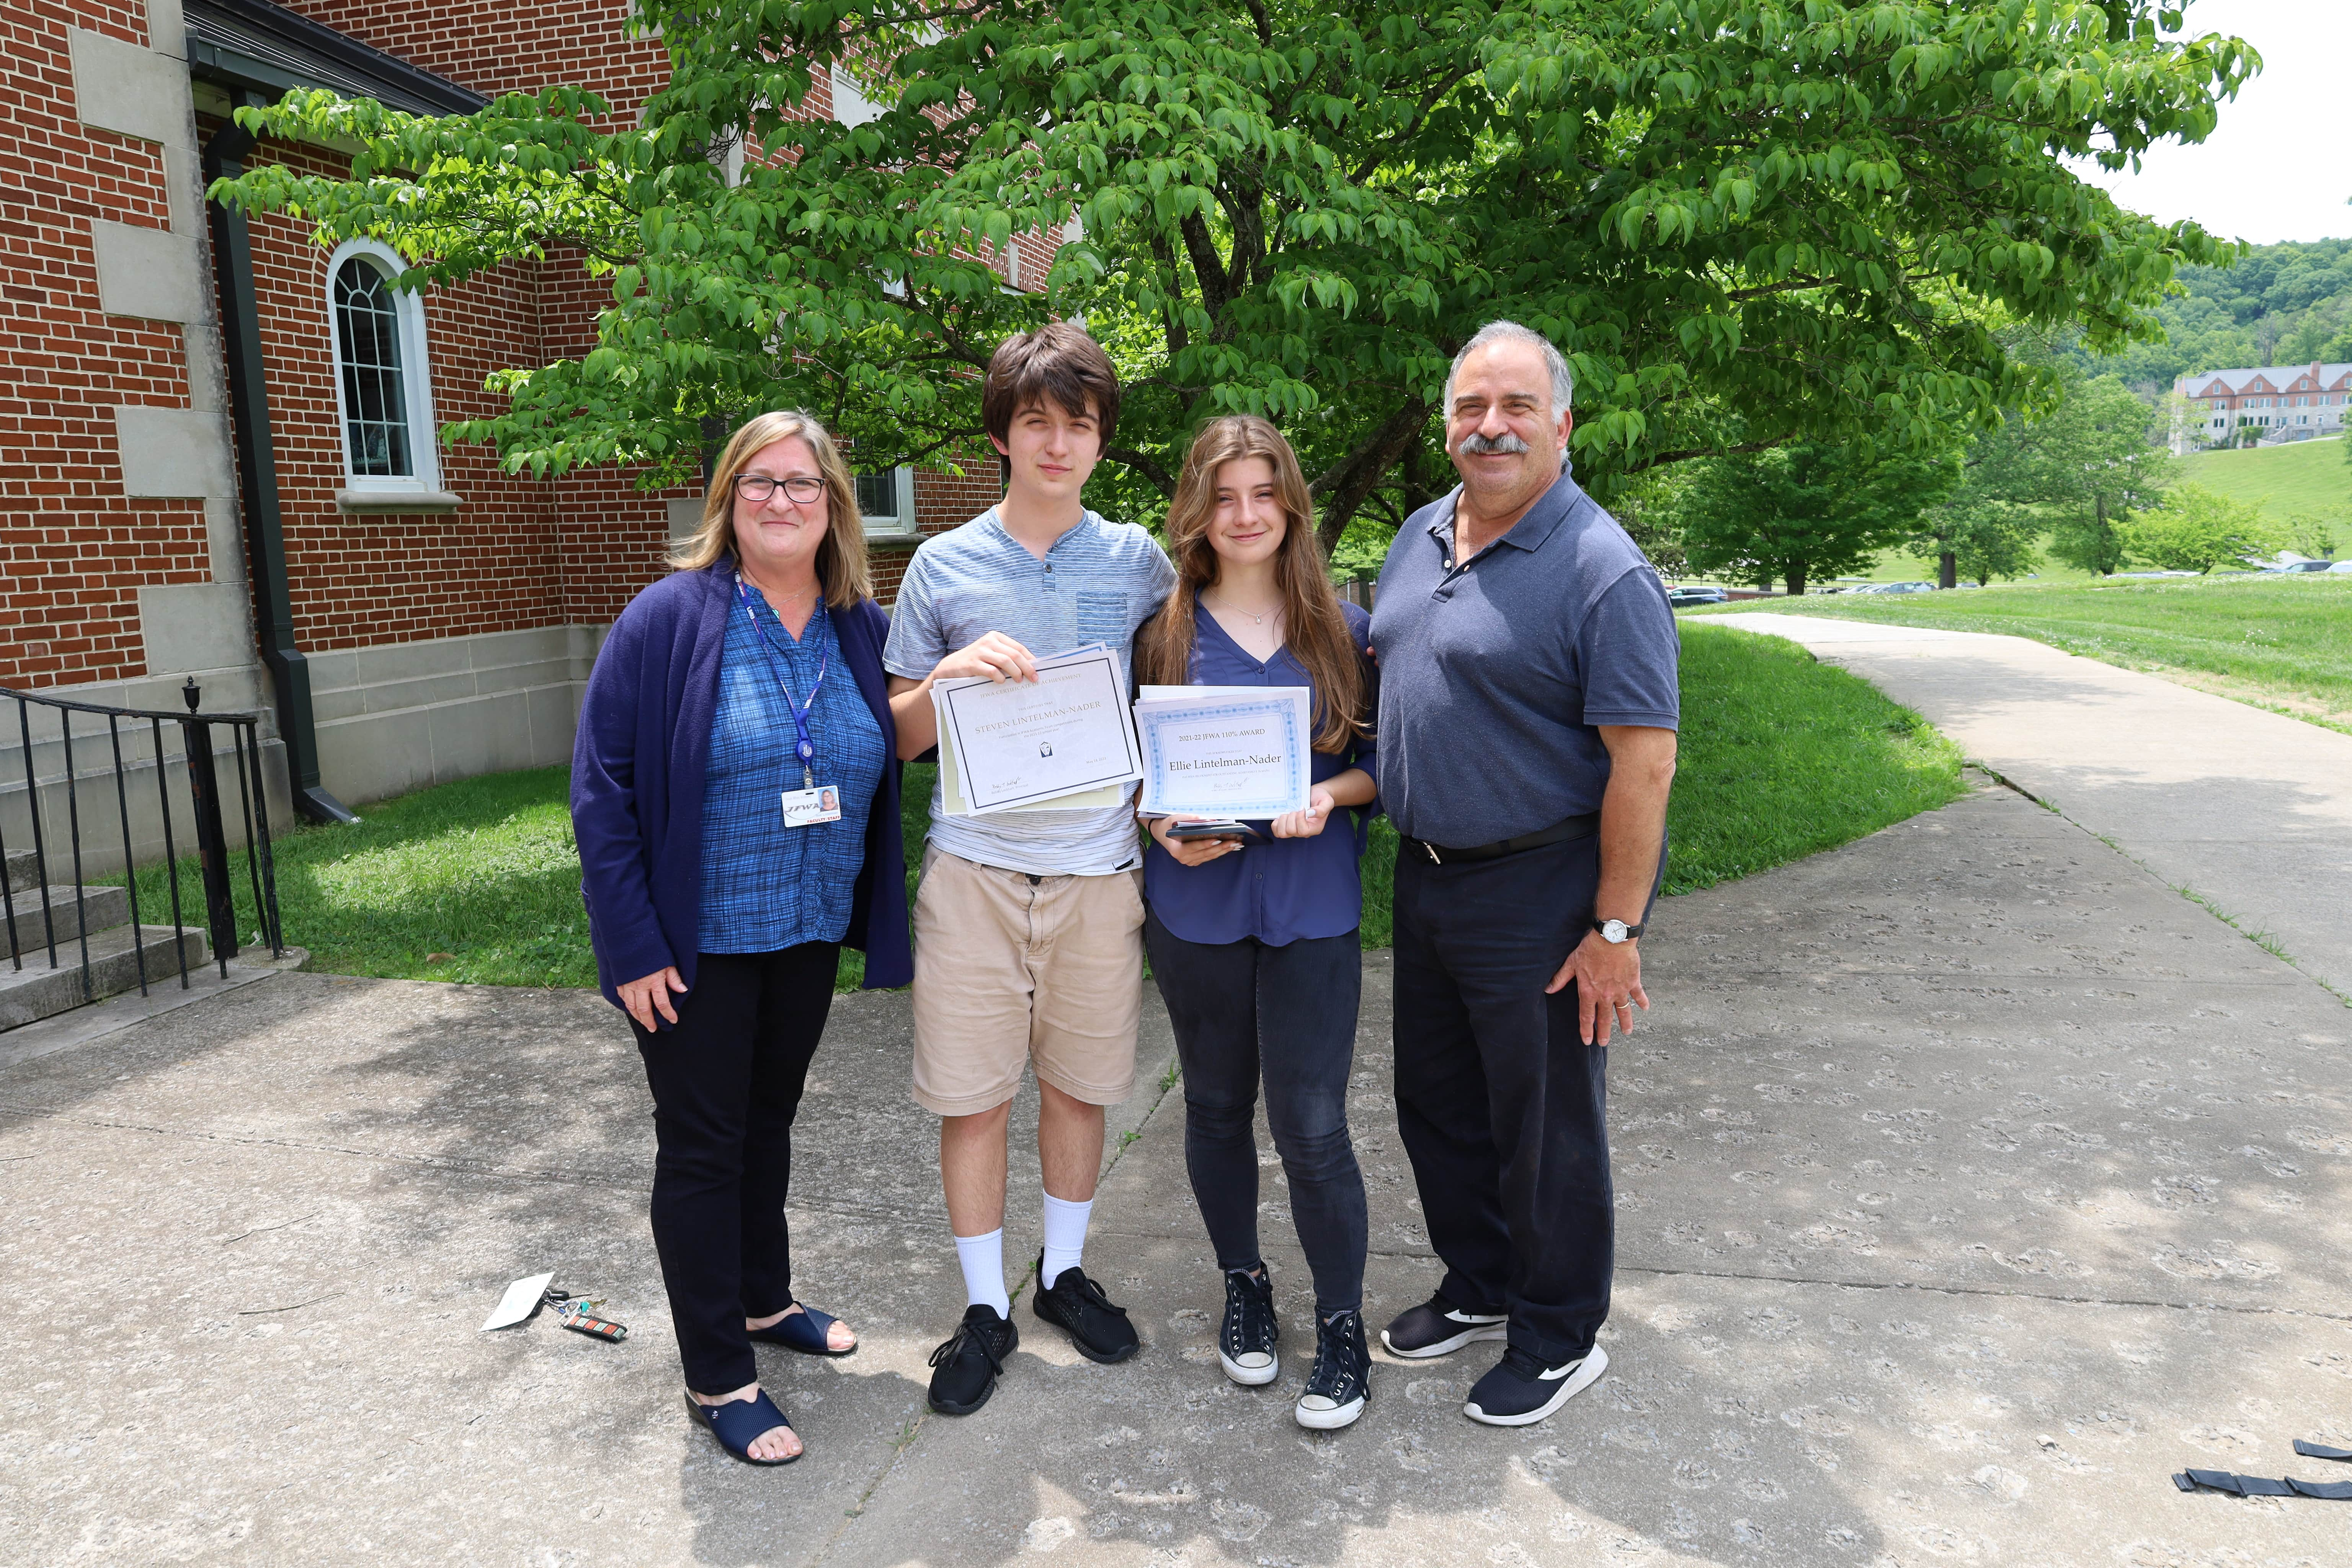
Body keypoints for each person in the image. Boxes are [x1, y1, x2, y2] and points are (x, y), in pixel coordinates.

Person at [571, 410, 912, 1465]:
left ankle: (764, 1301)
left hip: (805, 929)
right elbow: (602, 788)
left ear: (833, 505)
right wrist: (631, 946)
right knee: (705, 1148)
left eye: (802, 484)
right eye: (758, 483)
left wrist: (972, 687)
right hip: (694, 945)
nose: (780, 501)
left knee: (770, 1122)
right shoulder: (668, 618)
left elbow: (888, 734)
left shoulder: (860, 622)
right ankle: (718, 1375)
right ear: (728, 499)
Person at [1368, 321, 1679, 1428]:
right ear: (1447, 420)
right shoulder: (1417, 534)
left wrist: (1615, 928)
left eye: (1513, 408)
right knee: (1440, 1104)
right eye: (1468, 408)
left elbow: (1643, 766)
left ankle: (1557, 1332)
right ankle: (1483, 1283)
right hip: (1429, 878)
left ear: (1562, 423)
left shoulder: (1604, 571)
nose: (1488, 428)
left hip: (1544, 889)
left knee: (1545, 1122)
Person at [883, 324, 1178, 1416]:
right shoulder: (942, 566)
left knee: (1081, 1087)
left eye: (1081, 425)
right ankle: (981, 1308)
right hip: (975, 875)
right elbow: (900, 733)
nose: (1058, 444)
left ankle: (1060, 1276)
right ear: (1003, 434)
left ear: (1102, 441)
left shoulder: (1138, 562)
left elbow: (1176, 699)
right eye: (1037, 422)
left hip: (1100, 872)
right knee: (971, 1099)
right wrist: (949, 672)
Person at [1133, 415, 1380, 1430]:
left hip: (1313, 902)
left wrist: (1331, 797)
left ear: (1290, 504)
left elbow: (1382, 769)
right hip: (1196, 908)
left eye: (1262, 494)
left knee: (1314, 1125)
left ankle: (1342, 1326)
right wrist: (1157, 820)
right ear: (1198, 508)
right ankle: (1245, 1283)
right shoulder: (1162, 630)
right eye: (1223, 496)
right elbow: (1134, 776)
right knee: (1216, 1107)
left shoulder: (1345, 628)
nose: (1244, 516)